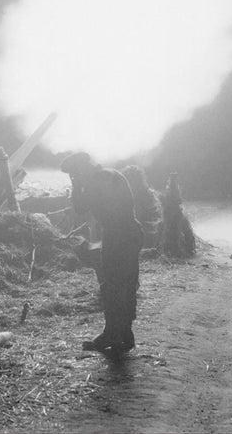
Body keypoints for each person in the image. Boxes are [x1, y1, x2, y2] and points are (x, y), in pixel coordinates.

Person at [61, 152, 143, 354]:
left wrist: (78, 185)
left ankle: (117, 333)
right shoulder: (103, 176)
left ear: (82, 168)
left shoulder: (101, 179)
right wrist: (77, 183)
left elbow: (81, 207)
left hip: (121, 234)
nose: (74, 176)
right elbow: (83, 208)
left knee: (116, 285)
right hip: (121, 234)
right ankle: (119, 333)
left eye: (74, 172)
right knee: (119, 284)